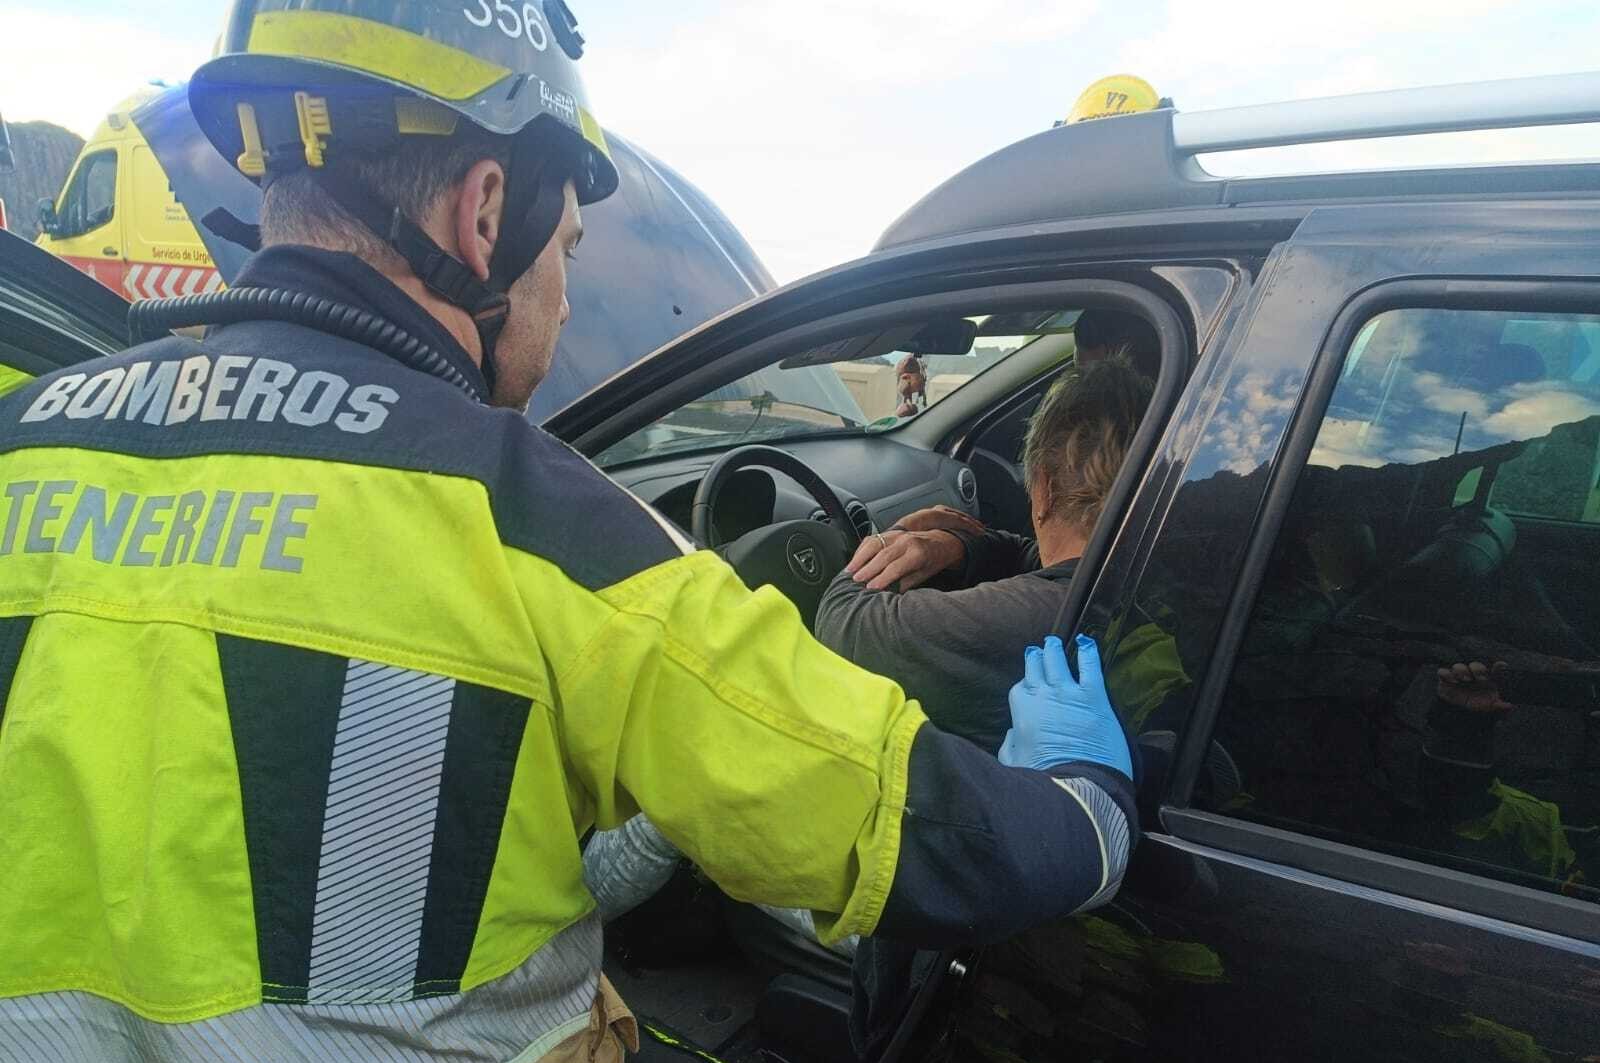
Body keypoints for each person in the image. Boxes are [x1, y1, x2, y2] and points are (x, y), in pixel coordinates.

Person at [0, 6, 1138, 1061]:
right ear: (485, 212)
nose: (564, 295)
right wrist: (1082, 802)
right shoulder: (535, 521)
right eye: (569, 253)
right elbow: (902, 829)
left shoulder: (23, 440)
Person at [816, 359, 1156, 753]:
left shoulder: (1046, 618)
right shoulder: (1141, 573)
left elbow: (844, 623)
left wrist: (898, 533)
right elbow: (1032, 558)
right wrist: (956, 545)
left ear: (1043, 488)